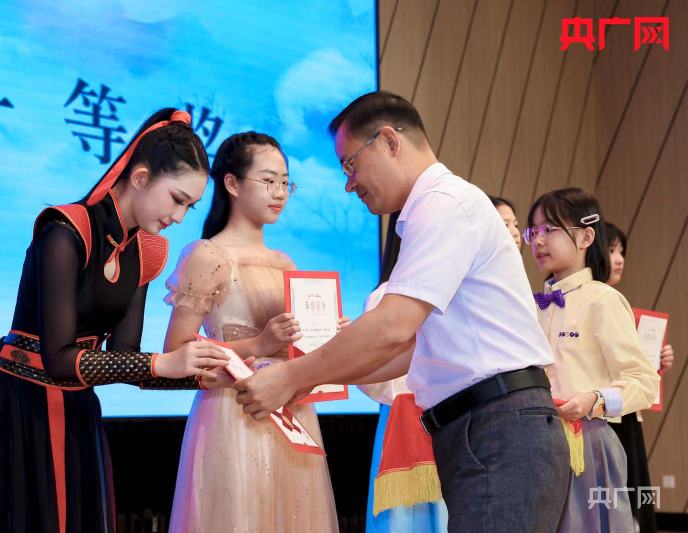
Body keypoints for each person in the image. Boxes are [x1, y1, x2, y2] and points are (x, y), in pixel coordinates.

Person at [235, 91, 570, 533]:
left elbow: (394, 327)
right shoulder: (433, 209)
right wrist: (312, 378)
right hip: (488, 428)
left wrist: (291, 376)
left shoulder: (443, 204)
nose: (349, 185)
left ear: (389, 141)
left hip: (499, 427)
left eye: (351, 165)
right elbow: (408, 350)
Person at [0, 108, 230, 533]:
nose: (180, 217)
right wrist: (164, 363)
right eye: (176, 199)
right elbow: (59, 359)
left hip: (77, 411)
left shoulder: (145, 251)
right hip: (18, 411)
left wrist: (203, 377)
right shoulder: (65, 230)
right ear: (140, 177)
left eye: (190, 206)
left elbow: (126, 359)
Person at [164, 132, 339, 532]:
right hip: (234, 411)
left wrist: (327, 335)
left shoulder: (284, 262)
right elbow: (177, 349)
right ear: (232, 183)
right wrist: (260, 344)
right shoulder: (207, 255)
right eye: (269, 180)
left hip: (293, 413)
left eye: (286, 182)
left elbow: (302, 350)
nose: (280, 193)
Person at [525, 188, 659, 532]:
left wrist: (595, 400)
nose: (538, 241)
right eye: (533, 231)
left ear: (586, 237)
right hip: (536, 444)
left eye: (550, 229)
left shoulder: (603, 300)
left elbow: (644, 383)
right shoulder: (530, 305)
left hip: (588, 443)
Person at [358, 211, 448, 533]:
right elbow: (373, 375)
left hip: (447, 418)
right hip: (400, 418)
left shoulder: (450, 290)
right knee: (400, 517)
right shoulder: (383, 297)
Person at [605, 221, 674, 533]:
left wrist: (656, 365)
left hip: (627, 412)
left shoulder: (619, 304)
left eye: (622, 252)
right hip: (602, 413)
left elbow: (632, 369)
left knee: (634, 500)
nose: (619, 259)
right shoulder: (590, 302)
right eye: (611, 251)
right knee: (611, 501)